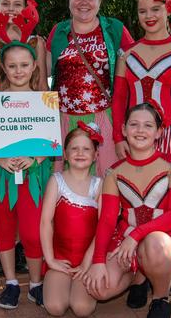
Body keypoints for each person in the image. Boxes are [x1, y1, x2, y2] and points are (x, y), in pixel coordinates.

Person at [86, 102, 171, 318]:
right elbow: (106, 220)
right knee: (100, 288)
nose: (140, 130)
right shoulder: (113, 172)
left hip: (163, 242)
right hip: (125, 242)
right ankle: (140, 277)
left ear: (159, 132)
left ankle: (161, 298)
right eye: (134, 124)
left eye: (148, 125)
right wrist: (97, 262)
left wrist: (136, 235)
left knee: (153, 245)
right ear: (123, 129)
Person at [47, 0, 134, 175]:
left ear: (100, 0)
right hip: (64, 121)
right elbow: (43, 78)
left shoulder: (115, 29)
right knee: (66, 182)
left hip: (104, 119)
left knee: (108, 181)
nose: (83, 2)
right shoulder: (58, 31)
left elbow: (134, 70)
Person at [0, 41, 51, 309]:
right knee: (4, 227)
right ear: (3, 67)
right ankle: (11, 283)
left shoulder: (45, 101)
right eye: (12, 65)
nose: (18, 70)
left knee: (32, 231)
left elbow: (51, 142)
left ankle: (36, 283)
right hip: (1, 174)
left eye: (24, 65)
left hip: (34, 176)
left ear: (35, 66)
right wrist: (0, 159)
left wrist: (34, 158)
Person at [113, 0, 171, 159]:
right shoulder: (126, 53)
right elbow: (119, 98)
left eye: (156, 9)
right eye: (142, 11)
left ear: (168, 9)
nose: (149, 16)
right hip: (133, 135)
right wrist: (118, 138)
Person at [41, 121, 102, 317]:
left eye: (86, 149)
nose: (80, 152)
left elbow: (103, 228)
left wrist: (88, 263)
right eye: (74, 148)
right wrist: (50, 260)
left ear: (95, 156)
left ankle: (79, 285)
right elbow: (45, 222)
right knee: (55, 307)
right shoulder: (56, 181)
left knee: (82, 308)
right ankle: (55, 280)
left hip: (88, 261)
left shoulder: (99, 185)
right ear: (65, 154)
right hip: (60, 260)